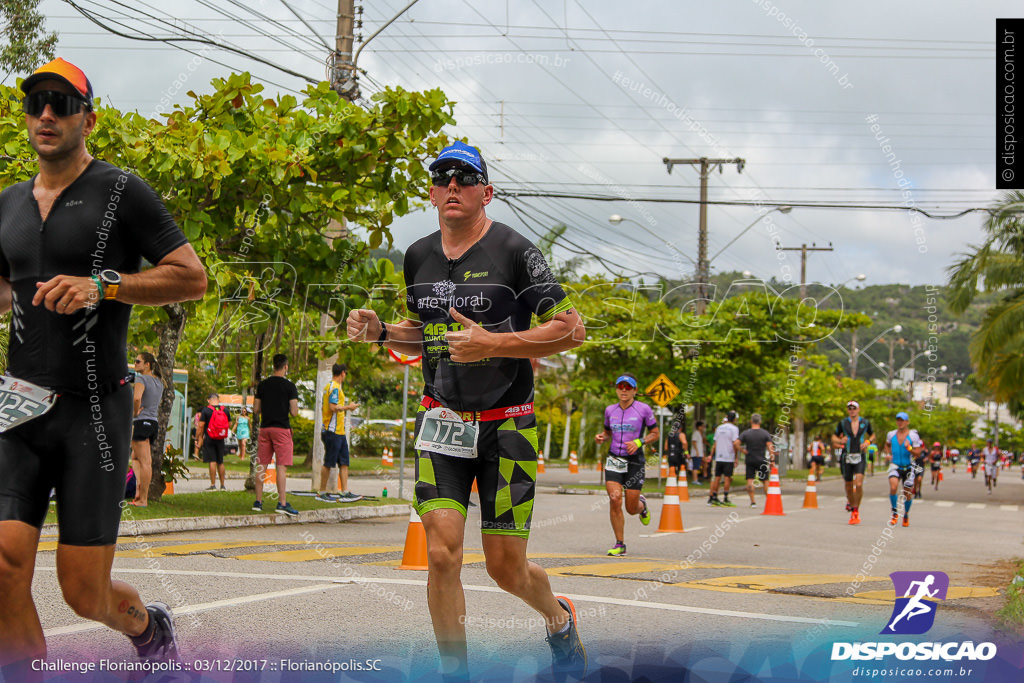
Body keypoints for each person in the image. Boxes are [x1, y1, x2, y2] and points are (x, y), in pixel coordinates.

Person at [346, 141, 587, 679]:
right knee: (441, 554)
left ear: (486, 191)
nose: (452, 184)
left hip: (508, 427)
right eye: (442, 176)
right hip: (442, 424)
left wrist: (494, 344)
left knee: (506, 569)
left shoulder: (515, 251)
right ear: (432, 191)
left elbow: (572, 330)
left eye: (465, 176)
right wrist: (382, 331)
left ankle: (558, 617)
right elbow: (426, 336)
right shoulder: (417, 256)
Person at [0, 57, 206, 672]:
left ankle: (148, 627)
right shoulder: (7, 202)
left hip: (94, 412)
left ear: (88, 118)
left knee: (83, 593)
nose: (45, 114)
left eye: (61, 103)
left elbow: (191, 278)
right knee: (4, 562)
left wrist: (104, 285)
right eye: (36, 101)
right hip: (19, 405)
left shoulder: (122, 191)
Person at [595, 373, 659, 556]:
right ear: (616, 389)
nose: (623, 390)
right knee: (615, 500)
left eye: (628, 387)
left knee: (631, 509)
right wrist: (602, 437)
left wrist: (639, 442)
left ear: (635, 390)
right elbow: (607, 432)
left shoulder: (644, 409)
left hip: (635, 461)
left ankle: (642, 506)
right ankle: (620, 543)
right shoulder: (610, 410)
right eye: (620, 387)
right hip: (614, 458)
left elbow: (656, 433)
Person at [253, 354, 300, 516]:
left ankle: (258, 501)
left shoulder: (263, 385)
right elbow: (294, 412)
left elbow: (256, 409)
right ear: (285, 367)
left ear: (273, 366)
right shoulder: (290, 386)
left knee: (262, 465)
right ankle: (282, 503)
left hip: (265, 428)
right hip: (282, 430)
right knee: (281, 467)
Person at [317, 363, 362, 503]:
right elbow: (332, 407)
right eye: (345, 373)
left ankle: (345, 491)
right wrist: (349, 407)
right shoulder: (334, 387)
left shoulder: (332, 387)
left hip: (340, 431)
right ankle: (322, 492)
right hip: (332, 431)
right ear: (342, 373)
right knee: (329, 462)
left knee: (344, 462)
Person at [832, 400, 874, 525]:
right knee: (849, 485)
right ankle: (851, 506)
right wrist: (840, 440)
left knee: (859, 484)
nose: (852, 410)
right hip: (847, 456)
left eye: (854, 408)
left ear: (858, 409)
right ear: (847, 410)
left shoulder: (865, 423)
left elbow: (872, 435)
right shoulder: (843, 423)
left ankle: (856, 510)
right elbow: (833, 437)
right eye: (850, 408)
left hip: (860, 456)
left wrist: (867, 442)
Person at [130, 352, 163, 507]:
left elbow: (137, 398)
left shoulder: (141, 379)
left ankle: (143, 499)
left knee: (145, 462)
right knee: (135, 458)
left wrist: (135, 412)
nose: (135, 364)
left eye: (138, 361)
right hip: (153, 423)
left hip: (141, 422)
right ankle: (139, 485)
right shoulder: (159, 382)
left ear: (147, 364)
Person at [882, 411, 923, 527]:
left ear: (907, 422)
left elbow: (918, 453)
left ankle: (906, 514)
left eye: (902, 420)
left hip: (908, 466)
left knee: (907, 493)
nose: (900, 423)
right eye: (898, 420)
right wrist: (888, 453)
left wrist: (909, 448)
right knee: (893, 487)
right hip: (895, 465)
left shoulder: (913, 436)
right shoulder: (891, 434)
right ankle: (894, 512)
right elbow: (887, 444)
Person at [738, 413, 775, 509]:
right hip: (761, 460)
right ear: (760, 422)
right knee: (765, 480)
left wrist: (742, 450)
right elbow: (770, 447)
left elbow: (736, 443)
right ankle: (769, 500)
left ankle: (753, 502)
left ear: (751, 421)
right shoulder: (765, 433)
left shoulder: (746, 433)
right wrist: (772, 459)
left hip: (750, 459)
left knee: (750, 479)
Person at [195, 393, 229, 490]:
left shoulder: (206, 410)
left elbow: (201, 426)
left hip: (209, 438)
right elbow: (229, 424)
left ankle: (213, 484)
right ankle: (222, 485)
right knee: (220, 461)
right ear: (218, 400)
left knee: (212, 461)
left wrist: (197, 437)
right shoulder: (225, 410)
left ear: (208, 400)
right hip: (221, 438)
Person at [708, 411, 741, 507]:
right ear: (734, 419)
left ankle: (714, 497)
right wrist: (736, 457)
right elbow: (735, 443)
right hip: (729, 457)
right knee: (727, 477)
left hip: (719, 456)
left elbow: (715, 443)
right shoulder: (734, 429)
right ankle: (725, 498)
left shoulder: (718, 428)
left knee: (717, 477)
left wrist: (711, 455)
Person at [664, 410, 689, 485]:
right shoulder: (681, 435)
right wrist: (686, 452)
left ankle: (672, 482)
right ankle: (681, 482)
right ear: (680, 428)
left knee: (672, 469)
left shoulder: (669, 435)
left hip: (671, 455)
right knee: (681, 468)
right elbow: (684, 442)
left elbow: (665, 447)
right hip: (679, 454)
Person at [690, 420, 705, 484]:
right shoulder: (696, 433)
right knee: (695, 467)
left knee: (697, 466)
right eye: (702, 426)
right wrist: (697, 451)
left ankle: (696, 479)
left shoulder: (699, 434)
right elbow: (694, 442)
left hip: (699, 453)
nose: (703, 428)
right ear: (699, 427)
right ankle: (695, 480)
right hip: (696, 454)